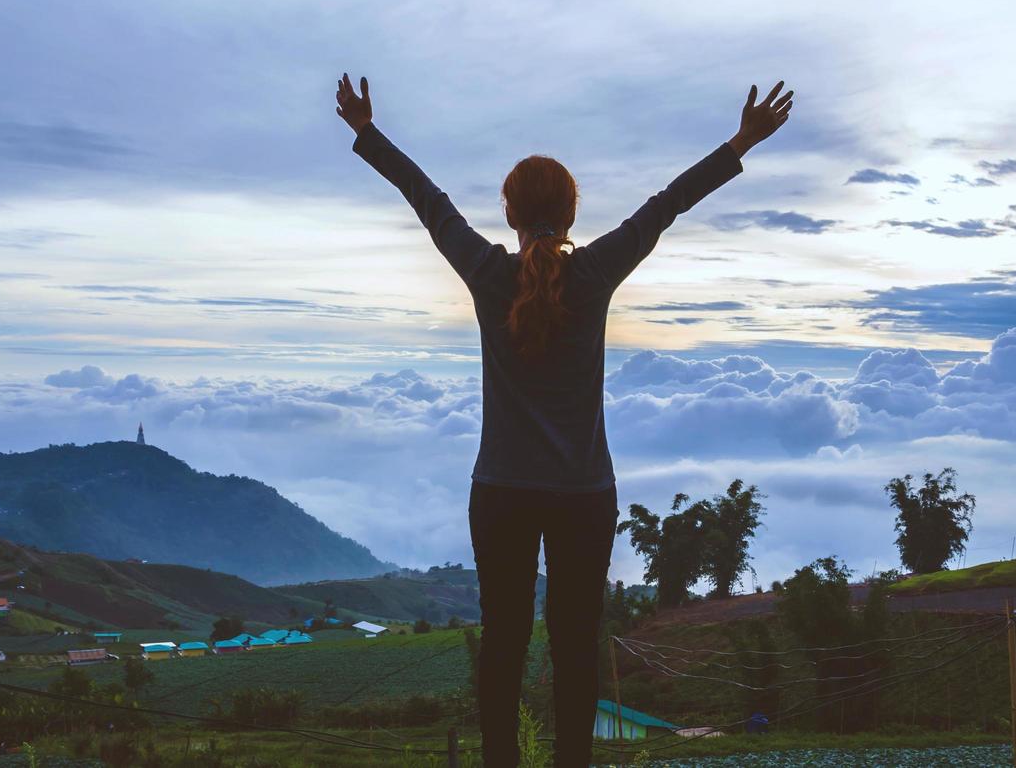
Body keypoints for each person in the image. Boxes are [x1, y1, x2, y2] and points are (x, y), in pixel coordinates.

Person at [336, 72, 792, 766]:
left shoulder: (488, 273)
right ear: (573, 214)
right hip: (583, 495)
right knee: (577, 647)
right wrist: (741, 142)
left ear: (509, 214)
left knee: (504, 643)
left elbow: (428, 202)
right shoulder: (595, 271)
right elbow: (664, 205)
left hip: (500, 493)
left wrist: (366, 132)